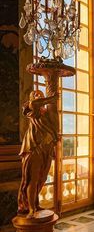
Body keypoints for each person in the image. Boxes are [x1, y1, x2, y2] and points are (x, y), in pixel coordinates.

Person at [18, 89, 58, 218]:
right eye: (35, 94)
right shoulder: (29, 107)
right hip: (33, 147)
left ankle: (36, 204)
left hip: (46, 148)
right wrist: (50, 99)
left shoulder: (46, 113)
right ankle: (30, 209)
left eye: (40, 94)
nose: (37, 95)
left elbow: (54, 127)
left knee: (41, 178)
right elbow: (34, 104)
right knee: (32, 179)